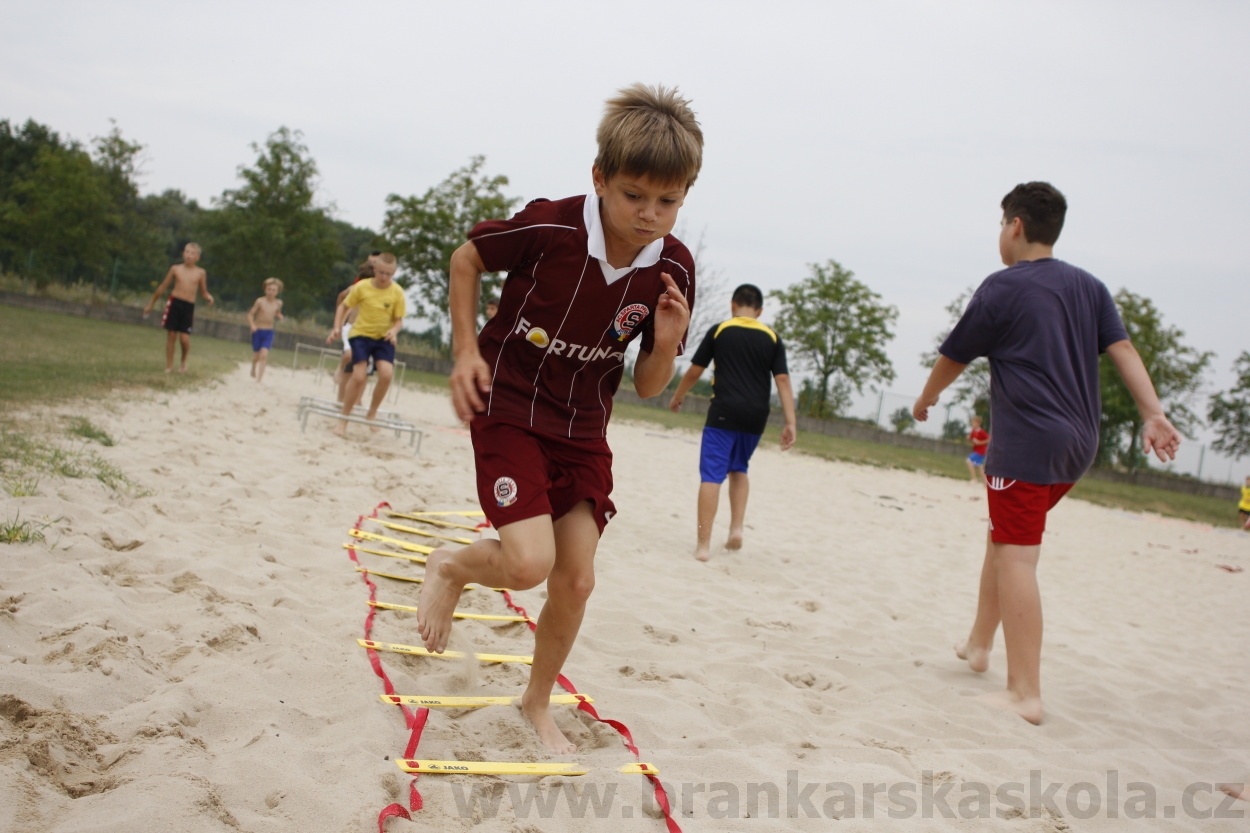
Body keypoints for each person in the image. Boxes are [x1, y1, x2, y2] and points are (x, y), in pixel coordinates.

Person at [417, 83, 702, 754]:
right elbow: (466, 258)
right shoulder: (550, 226)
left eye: (669, 200)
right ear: (600, 177)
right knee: (527, 565)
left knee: (575, 579)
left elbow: (651, 384)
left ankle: (537, 701)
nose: (650, 213)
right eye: (634, 195)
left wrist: (663, 343)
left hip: (583, 431)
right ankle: (452, 568)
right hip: (510, 406)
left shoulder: (675, 268)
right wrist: (464, 351)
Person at [913, 181, 1182, 725]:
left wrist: (927, 397)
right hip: (1079, 445)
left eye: (1000, 225)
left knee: (1017, 554)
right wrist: (1153, 412)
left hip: (1028, 444)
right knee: (1003, 536)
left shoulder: (1003, 287)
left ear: (1014, 226)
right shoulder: (1089, 287)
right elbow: (1123, 349)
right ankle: (980, 645)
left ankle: (1025, 693)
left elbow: (954, 355)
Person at [668, 283, 796, 560]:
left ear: (733, 305)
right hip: (756, 415)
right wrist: (790, 422)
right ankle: (736, 528)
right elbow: (783, 380)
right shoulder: (772, 337)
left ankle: (703, 545)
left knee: (712, 475)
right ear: (759, 311)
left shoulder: (720, 330)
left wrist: (678, 395)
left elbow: (694, 370)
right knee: (739, 468)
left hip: (723, 412)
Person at [325, 252, 405, 436]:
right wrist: (337, 327)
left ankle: (372, 412)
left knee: (386, 374)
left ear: (394, 272)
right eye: (381, 273)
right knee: (359, 376)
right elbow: (343, 306)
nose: (384, 277)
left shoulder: (397, 292)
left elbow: (398, 320)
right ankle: (343, 420)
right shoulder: (361, 287)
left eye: (389, 274)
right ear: (375, 269)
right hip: (360, 335)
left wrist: (394, 331)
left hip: (383, 338)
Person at [142, 243, 213, 373]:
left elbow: (203, 292)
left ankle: (183, 362)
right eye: (187, 252)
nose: (189, 255)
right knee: (171, 334)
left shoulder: (200, 273)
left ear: (197, 257)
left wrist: (208, 297)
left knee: (184, 338)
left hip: (188, 306)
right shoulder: (176, 269)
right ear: (183, 253)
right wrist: (150, 304)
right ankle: (169, 366)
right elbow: (163, 286)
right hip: (174, 303)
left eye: (192, 253)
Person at [333, 259, 373, 405]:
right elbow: (341, 297)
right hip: (351, 327)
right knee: (349, 355)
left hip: (369, 332)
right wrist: (339, 322)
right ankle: (339, 368)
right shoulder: (354, 288)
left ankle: (356, 400)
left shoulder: (381, 291)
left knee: (362, 370)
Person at [247, 277, 284, 382]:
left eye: (274, 290)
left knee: (264, 354)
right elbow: (250, 314)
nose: (271, 292)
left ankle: (259, 380)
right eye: (269, 289)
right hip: (258, 330)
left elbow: (276, 312)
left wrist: (279, 315)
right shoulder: (260, 301)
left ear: (277, 292)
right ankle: (254, 366)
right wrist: (252, 325)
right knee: (257, 356)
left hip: (269, 331)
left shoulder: (278, 303)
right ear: (265, 290)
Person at [966, 414, 990, 484]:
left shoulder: (981, 431)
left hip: (981, 451)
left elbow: (989, 439)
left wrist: (980, 442)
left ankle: (974, 479)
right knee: (980, 467)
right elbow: (972, 439)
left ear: (978, 423)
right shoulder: (973, 431)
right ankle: (986, 483)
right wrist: (969, 439)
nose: (973, 424)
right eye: (972, 422)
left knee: (969, 461)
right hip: (976, 450)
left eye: (974, 422)